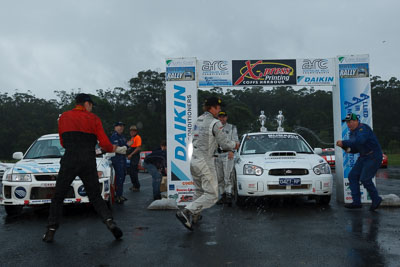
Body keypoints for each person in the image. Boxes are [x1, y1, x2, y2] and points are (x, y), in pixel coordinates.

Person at [43, 93, 125, 243]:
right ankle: (110, 222)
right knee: (94, 195)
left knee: (58, 196)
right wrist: (117, 149)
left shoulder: (63, 117)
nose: (92, 108)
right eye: (91, 105)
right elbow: (105, 145)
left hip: (70, 158)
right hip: (87, 159)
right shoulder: (93, 119)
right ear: (86, 104)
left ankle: (51, 230)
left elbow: (62, 143)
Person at [176, 97, 240, 231]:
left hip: (194, 160)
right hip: (205, 161)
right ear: (211, 108)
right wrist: (235, 144)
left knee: (199, 191)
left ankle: (194, 217)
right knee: (212, 195)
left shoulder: (198, 120)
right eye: (218, 108)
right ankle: (187, 211)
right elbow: (224, 143)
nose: (219, 110)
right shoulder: (215, 123)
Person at [336, 113, 383, 211]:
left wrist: (344, 142)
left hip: (373, 156)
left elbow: (359, 141)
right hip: (363, 157)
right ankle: (356, 202)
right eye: (347, 122)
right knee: (352, 176)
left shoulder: (363, 129)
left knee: (365, 179)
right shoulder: (352, 132)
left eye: (351, 122)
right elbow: (355, 148)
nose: (349, 124)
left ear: (357, 121)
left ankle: (376, 199)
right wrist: (347, 148)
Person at [215, 111, 239, 206]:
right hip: (217, 155)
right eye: (220, 117)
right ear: (218, 117)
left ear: (226, 117)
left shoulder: (232, 127)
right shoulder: (214, 128)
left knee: (228, 176)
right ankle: (223, 195)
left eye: (224, 117)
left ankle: (229, 195)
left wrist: (232, 151)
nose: (222, 118)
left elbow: (236, 141)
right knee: (219, 177)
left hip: (227, 154)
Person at [110, 121, 131, 204]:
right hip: (117, 160)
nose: (121, 127)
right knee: (118, 178)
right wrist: (126, 146)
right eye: (119, 126)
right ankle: (117, 196)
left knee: (122, 177)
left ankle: (120, 195)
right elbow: (116, 149)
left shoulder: (122, 137)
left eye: (122, 126)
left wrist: (124, 148)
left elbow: (124, 150)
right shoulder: (114, 136)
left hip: (122, 159)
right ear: (115, 127)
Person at [127, 125, 142, 192]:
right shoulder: (132, 138)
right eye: (131, 131)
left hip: (135, 156)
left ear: (136, 131)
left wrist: (131, 154)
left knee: (133, 172)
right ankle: (134, 184)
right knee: (131, 171)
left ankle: (137, 186)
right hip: (132, 156)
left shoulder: (137, 137)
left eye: (133, 131)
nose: (132, 132)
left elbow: (138, 148)